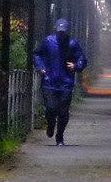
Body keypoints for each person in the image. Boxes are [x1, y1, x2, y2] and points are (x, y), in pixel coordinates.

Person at [33, 17, 87, 145]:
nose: (61, 34)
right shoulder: (48, 41)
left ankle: (60, 137)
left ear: (66, 31)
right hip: (49, 82)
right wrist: (40, 67)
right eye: (59, 31)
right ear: (56, 30)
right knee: (51, 108)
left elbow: (82, 59)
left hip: (66, 83)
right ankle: (51, 124)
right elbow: (37, 54)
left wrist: (76, 66)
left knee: (63, 112)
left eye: (63, 32)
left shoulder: (72, 44)